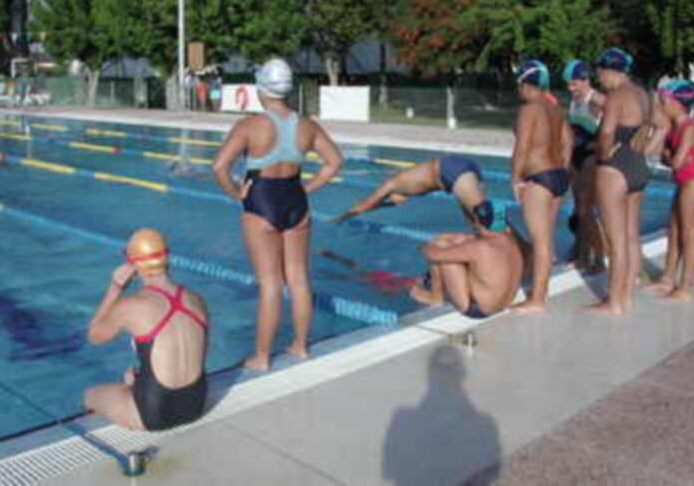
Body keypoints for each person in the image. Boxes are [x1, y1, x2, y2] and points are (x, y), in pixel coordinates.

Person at [212, 58, 342, 371]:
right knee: (298, 278)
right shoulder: (307, 125)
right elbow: (334, 162)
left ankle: (261, 357)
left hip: (261, 201)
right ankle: (300, 346)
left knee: (270, 283)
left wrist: (236, 193)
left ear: (261, 89)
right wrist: (308, 188)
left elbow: (219, 168)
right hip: (296, 200)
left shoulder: (250, 126)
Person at [84, 229, 209, 431]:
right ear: (166, 257)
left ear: (132, 264)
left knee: (90, 396)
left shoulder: (131, 305)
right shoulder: (196, 300)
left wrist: (115, 288)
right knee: (132, 378)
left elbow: (93, 336)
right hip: (195, 405)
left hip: (153, 413)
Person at [587, 47, 655, 315]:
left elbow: (606, 132)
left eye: (599, 74)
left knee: (616, 242)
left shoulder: (617, 95)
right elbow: (650, 126)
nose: (599, 80)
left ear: (608, 70)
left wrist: (604, 154)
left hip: (615, 169)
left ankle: (613, 302)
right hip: (638, 165)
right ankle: (625, 297)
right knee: (630, 236)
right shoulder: (642, 94)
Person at [509, 60, 572, 314]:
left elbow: (522, 147)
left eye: (518, 83)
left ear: (525, 84)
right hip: (557, 177)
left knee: (540, 241)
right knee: (545, 238)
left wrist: (515, 179)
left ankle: (537, 299)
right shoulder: (554, 108)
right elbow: (568, 141)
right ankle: (537, 287)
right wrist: (562, 167)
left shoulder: (529, 109)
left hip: (539, 179)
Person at [647, 80, 694, 302]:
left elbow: (674, 161)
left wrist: (670, 157)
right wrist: (670, 156)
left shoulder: (690, 127)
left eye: (664, 100)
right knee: (674, 232)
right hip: (683, 182)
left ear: (676, 103)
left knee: (688, 234)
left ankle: (686, 288)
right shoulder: (673, 126)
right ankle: (667, 280)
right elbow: (664, 155)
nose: (661, 104)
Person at [409, 205, 526, 318]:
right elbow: (467, 239)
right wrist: (445, 238)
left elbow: (433, 255)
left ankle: (435, 298)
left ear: (479, 223)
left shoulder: (481, 247)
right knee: (451, 243)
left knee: (441, 249)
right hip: (503, 304)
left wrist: (424, 247)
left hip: (476, 308)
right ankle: (435, 288)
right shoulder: (511, 239)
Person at [331, 157, 502, 230]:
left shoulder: (390, 184)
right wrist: (382, 204)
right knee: (476, 223)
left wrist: (341, 218)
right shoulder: (404, 184)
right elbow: (390, 203)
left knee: (491, 220)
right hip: (456, 166)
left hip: (448, 171)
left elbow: (365, 204)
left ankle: (515, 253)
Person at [563, 59, 607, 274]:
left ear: (585, 80)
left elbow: (611, 132)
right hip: (576, 158)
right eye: (568, 84)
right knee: (578, 209)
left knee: (585, 209)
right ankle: (581, 253)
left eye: (574, 84)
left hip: (591, 158)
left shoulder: (598, 101)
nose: (570, 88)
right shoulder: (575, 100)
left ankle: (598, 258)